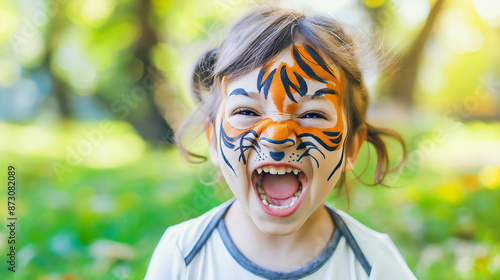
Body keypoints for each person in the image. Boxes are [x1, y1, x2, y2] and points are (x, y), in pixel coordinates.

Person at [145, 5, 417, 280]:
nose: (277, 139)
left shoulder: (374, 264)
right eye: (247, 112)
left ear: (351, 148)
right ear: (214, 140)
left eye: (312, 114)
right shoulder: (182, 255)